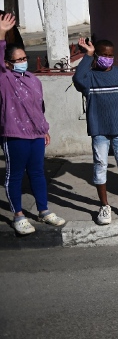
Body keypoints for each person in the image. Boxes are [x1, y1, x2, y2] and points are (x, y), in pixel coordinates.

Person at [0, 13, 66, 235]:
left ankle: (43, 210)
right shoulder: (5, 79)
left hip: (36, 135)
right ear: (8, 63)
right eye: (16, 60)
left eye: (23, 58)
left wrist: (44, 130)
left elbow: (40, 107)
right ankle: (18, 214)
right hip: (14, 135)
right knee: (15, 174)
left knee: (37, 173)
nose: (22, 62)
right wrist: (2, 33)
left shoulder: (33, 79)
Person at [73, 38, 118, 225]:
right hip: (99, 131)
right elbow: (78, 78)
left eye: (111, 55)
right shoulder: (90, 77)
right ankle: (104, 206)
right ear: (96, 55)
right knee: (100, 167)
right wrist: (87, 56)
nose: (108, 58)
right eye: (103, 55)